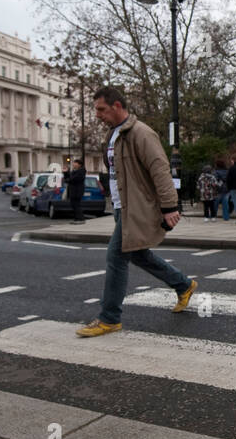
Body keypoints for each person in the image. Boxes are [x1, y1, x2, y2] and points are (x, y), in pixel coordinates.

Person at [77, 86, 197, 338]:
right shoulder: (113, 135)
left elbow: (160, 169)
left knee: (116, 258)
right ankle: (184, 285)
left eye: (101, 109)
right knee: (139, 255)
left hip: (137, 208)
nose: (97, 114)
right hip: (122, 208)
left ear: (117, 106)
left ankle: (109, 318)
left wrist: (169, 207)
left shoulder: (141, 133)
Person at [65, 158, 86, 224]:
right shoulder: (74, 171)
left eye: (75, 163)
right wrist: (65, 173)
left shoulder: (81, 171)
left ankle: (80, 218)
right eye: (73, 163)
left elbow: (73, 179)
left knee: (76, 204)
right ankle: (77, 218)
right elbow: (68, 178)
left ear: (79, 164)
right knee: (73, 204)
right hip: (73, 190)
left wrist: (68, 179)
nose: (73, 164)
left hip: (77, 191)